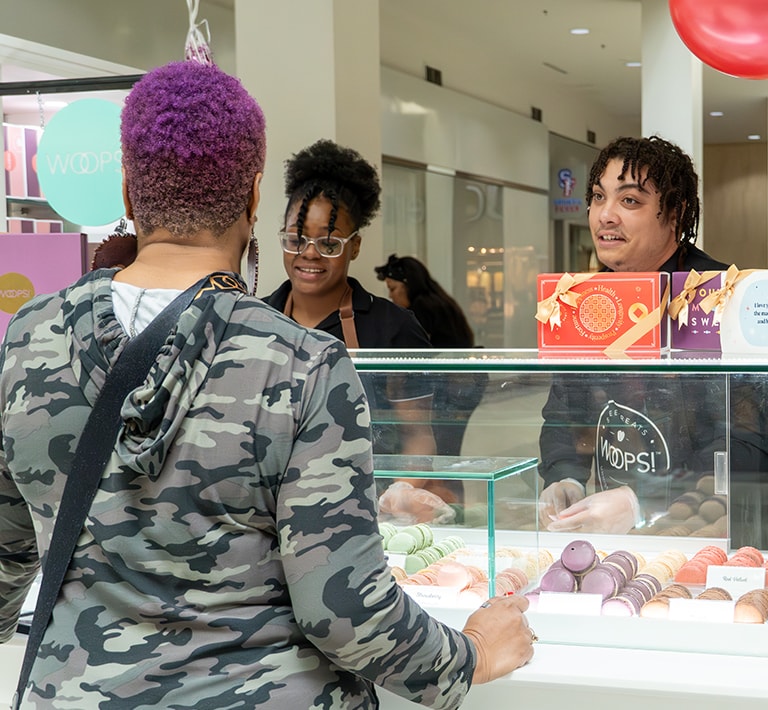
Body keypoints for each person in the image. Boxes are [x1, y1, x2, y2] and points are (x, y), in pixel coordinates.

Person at [0, 61, 532, 709]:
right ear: (254, 198)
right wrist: (468, 654)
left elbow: (6, 555)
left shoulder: (30, 339)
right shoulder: (303, 363)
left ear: (128, 192)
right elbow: (343, 613)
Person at [537, 135, 768, 547]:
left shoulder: (722, 295)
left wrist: (640, 499)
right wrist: (565, 477)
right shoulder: (586, 300)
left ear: (675, 215)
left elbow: (748, 443)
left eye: (629, 201)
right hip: (616, 540)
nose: (605, 216)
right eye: (598, 196)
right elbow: (564, 414)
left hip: (714, 533)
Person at [264, 140, 437, 458]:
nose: (310, 254)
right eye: (295, 239)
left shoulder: (393, 328)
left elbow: (419, 437)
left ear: (354, 246)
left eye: (329, 244)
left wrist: (399, 492)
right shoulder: (255, 318)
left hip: (365, 499)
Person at [375, 254, 488, 457]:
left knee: (438, 450)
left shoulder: (422, 309)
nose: (391, 297)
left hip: (450, 385)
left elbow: (417, 356)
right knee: (449, 453)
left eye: (393, 289)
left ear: (408, 284)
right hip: (464, 381)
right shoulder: (439, 301)